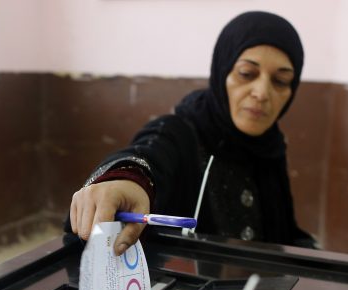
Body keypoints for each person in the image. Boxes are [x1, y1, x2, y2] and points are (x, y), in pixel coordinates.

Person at [68, 11, 316, 255]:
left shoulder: (270, 147)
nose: (262, 92)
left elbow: (283, 235)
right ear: (222, 71)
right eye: (246, 74)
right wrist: (128, 179)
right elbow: (151, 152)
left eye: (281, 81)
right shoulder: (181, 132)